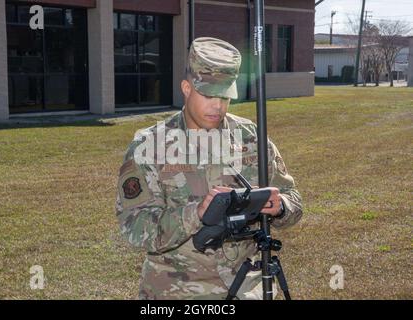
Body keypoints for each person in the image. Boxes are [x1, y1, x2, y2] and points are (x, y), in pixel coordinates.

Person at [115, 37, 302, 300]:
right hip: (176, 292)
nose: (218, 105)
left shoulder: (251, 138)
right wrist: (196, 213)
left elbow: (293, 198)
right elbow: (134, 227)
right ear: (186, 88)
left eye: (225, 95)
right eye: (208, 94)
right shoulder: (149, 147)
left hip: (246, 288)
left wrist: (280, 205)